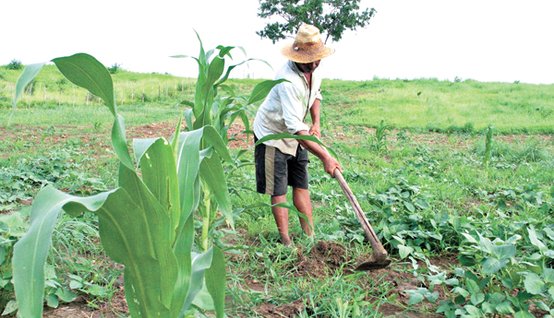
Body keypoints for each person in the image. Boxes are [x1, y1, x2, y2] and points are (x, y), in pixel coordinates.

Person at [253, 23, 342, 245]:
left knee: (301, 184)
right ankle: (286, 242)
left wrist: (316, 123)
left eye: (316, 59)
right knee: (279, 188)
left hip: (298, 132)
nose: (312, 64)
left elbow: (316, 94)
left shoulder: (315, 68)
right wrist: (326, 157)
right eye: (308, 61)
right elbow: (296, 128)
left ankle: (310, 238)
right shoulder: (288, 80)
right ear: (296, 55)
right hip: (272, 135)